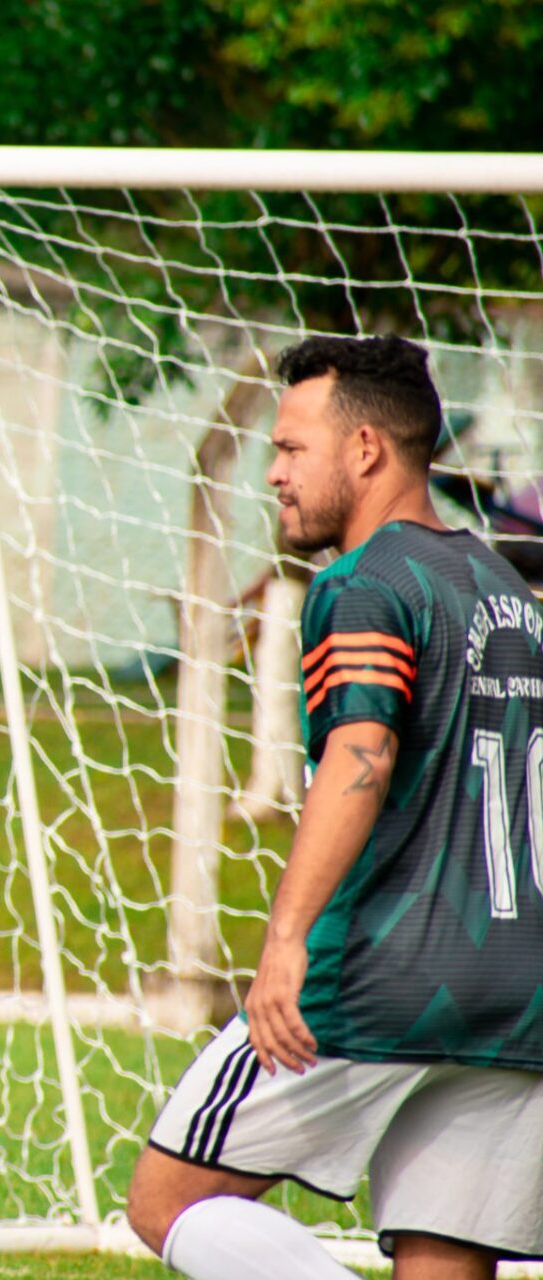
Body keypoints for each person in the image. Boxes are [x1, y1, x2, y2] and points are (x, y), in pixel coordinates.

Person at [126, 335, 543, 1279]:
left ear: (364, 451)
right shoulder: (508, 591)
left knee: (169, 1200)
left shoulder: (365, 584)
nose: (272, 474)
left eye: (290, 449)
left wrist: (285, 940)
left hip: (382, 980)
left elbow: (363, 749)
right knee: (445, 1257)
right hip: (520, 993)